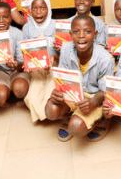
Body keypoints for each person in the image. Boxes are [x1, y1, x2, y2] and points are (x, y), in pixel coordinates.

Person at [45, 14, 115, 142]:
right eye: (76, 32)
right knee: (50, 110)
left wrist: (94, 102)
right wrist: (57, 93)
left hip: (94, 98)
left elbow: (105, 91)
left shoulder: (106, 59)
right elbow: (62, 79)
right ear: (70, 35)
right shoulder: (66, 49)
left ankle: (101, 120)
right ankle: (71, 114)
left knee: (76, 127)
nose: (81, 35)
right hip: (74, 94)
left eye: (87, 31)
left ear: (95, 34)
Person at [0, 2, 30, 109]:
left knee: (20, 89)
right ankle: (6, 92)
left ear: (11, 18)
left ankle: (15, 92)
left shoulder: (17, 34)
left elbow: (23, 65)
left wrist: (16, 65)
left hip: (17, 71)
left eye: (5, 17)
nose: (1, 21)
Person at [21, 0, 58, 122]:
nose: (38, 12)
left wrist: (54, 57)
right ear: (30, 10)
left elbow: (64, 51)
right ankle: (43, 115)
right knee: (32, 98)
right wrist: (26, 63)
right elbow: (24, 51)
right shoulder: (27, 28)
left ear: (49, 8)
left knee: (49, 94)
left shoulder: (56, 25)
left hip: (54, 68)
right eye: (34, 8)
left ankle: (48, 113)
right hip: (36, 69)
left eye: (43, 8)